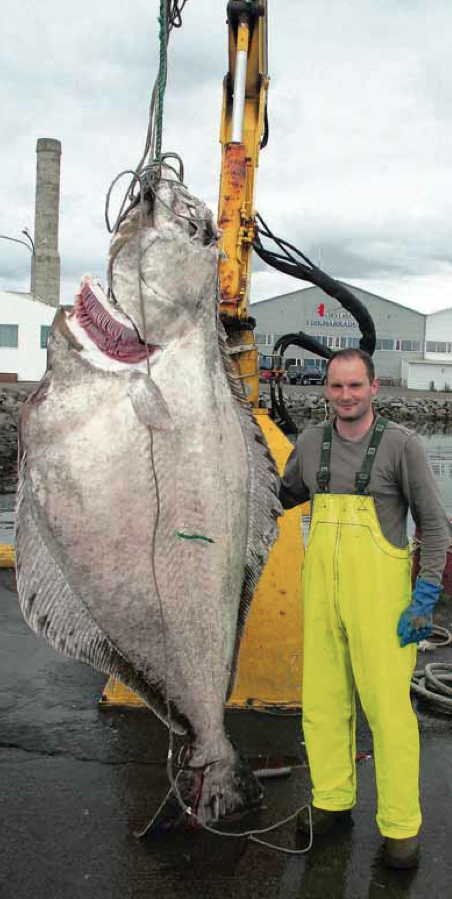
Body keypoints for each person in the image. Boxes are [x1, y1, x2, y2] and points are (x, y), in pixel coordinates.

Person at [279, 348, 450, 869]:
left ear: (374, 387)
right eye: (336, 387)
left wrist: (424, 599)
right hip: (322, 602)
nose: (346, 395)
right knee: (324, 707)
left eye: (356, 386)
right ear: (325, 390)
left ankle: (400, 828)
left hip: (382, 607)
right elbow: (280, 499)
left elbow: (436, 528)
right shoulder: (309, 445)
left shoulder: (402, 447)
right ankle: (331, 801)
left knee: (390, 717)